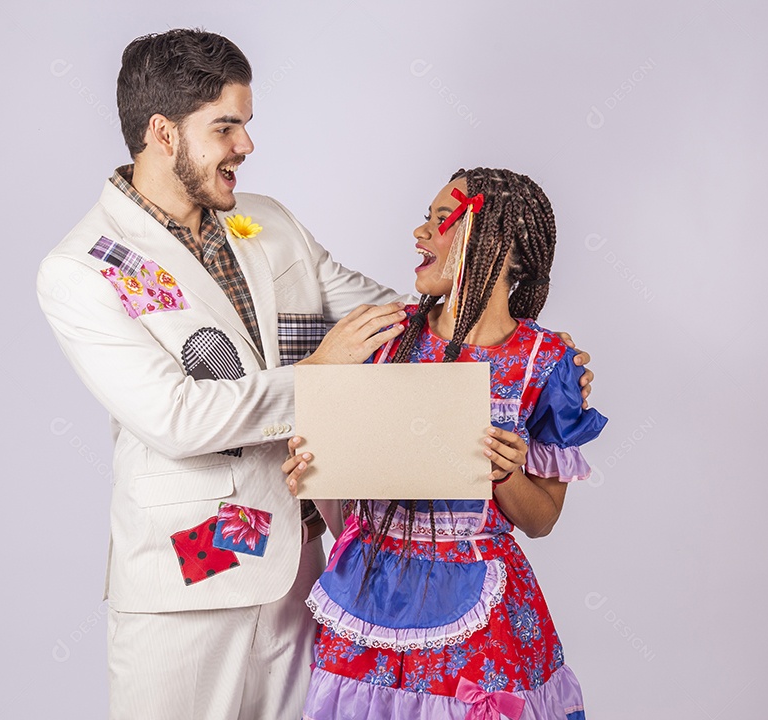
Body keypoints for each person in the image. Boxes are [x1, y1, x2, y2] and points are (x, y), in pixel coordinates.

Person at [36, 28, 595, 720]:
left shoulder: (266, 222)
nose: (246, 146)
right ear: (164, 133)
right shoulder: (84, 267)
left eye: (247, 124)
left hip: (311, 569)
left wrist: (524, 346)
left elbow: (398, 322)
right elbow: (174, 416)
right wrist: (320, 377)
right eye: (227, 127)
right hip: (193, 572)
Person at [282, 168, 607, 720]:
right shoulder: (386, 339)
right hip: (368, 593)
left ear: (500, 247)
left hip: (479, 613)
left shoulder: (545, 363)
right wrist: (312, 474)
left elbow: (542, 520)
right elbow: (346, 477)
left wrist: (507, 474)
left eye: (440, 220)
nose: (418, 232)